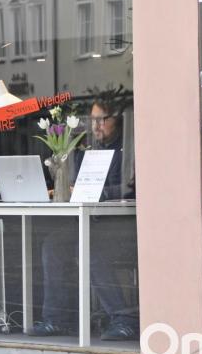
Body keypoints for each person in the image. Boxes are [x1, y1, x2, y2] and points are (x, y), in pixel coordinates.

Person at [32, 94, 139, 341]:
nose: (96, 126)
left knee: (93, 249)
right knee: (53, 245)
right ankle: (56, 319)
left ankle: (124, 320)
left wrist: (99, 192)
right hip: (92, 223)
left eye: (102, 120)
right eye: (93, 120)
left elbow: (130, 188)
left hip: (122, 226)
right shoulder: (87, 150)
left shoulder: (128, 150)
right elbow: (78, 184)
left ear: (117, 120)